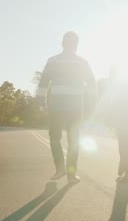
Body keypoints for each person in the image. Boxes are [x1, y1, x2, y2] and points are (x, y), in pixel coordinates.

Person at [36, 31, 96, 183]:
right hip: (75, 107)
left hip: (57, 106)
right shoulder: (82, 62)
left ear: (62, 43)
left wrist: (41, 104)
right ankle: (71, 174)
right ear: (76, 45)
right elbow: (92, 84)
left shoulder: (53, 61)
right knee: (73, 140)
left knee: (55, 138)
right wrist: (92, 104)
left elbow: (43, 83)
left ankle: (60, 169)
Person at [107, 65, 128, 183]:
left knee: (123, 144)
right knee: (123, 144)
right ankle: (124, 167)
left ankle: (126, 170)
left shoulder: (117, 83)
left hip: (123, 114)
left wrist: (111, 117)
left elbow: (112, 101)